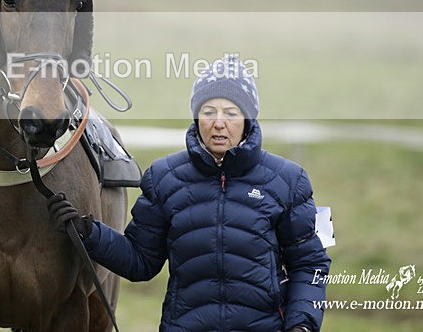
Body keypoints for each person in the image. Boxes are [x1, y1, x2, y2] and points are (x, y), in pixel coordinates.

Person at [48, 54, 331, 332]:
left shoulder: (289, 181)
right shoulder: (164, 178)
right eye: (209, 112)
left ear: (247, 119)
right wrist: (89, 233)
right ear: (197, 117)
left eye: (231, 113)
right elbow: (140, 262)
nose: (219, 123)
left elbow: (310, 264)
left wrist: (302, 324)